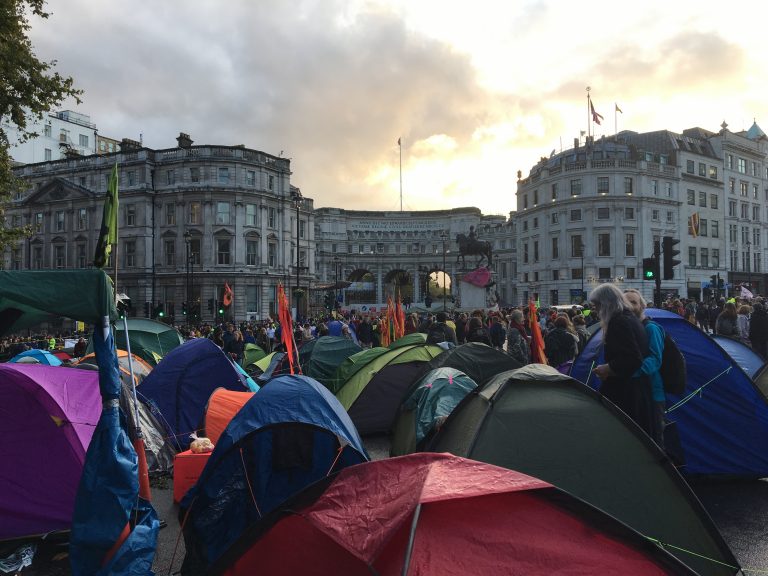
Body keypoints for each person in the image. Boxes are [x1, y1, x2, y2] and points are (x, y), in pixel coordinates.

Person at [591, 283, 653, 436]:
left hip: (626, 393)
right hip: (635, 390)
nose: (595, 310)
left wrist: (608, 368)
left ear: (605, 304)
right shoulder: (628, 318)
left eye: (597, 305)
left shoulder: (619, 322)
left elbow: (632, 359)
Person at [624, 289, 666, 448]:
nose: (630, 306)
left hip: (652, 393)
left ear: (642, 306)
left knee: (654, 441)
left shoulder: (651, 328)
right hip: (635, 392)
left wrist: (628, 372)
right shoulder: (630, 328)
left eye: (633, 302)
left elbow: (655, 359)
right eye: (626, 302)